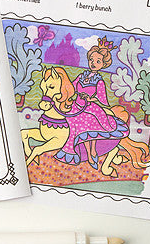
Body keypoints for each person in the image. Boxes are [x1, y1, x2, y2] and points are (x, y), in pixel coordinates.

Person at [55, 37, 129, 170]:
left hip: (90, 107)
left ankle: (92, 151)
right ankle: (89, 152)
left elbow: (102, 100)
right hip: (77, 105)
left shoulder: (99, 81)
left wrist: (90, 99)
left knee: (89, 121)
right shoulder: (81, 76)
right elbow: (72, 88)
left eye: (98, 61)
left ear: (103, 64)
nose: (93, 63)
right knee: (73, 119)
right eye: (91, 60)